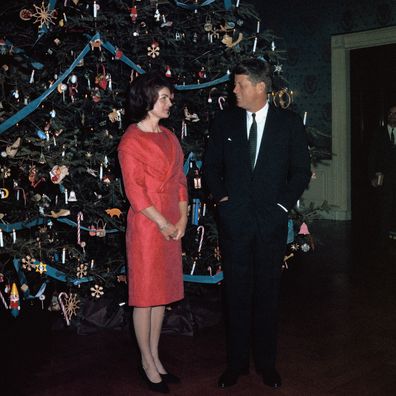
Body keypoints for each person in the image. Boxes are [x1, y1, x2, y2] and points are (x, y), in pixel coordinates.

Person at [204, 58, 311, 389]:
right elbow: (210, 168)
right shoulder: (224, 122)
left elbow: (301, 171)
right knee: (235, 294)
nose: (233, 90)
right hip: (234, 223)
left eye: (240, 85)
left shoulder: (289, 124)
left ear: (260, 87)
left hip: (270, 223)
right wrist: (223, 203)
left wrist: (281, 206)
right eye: (234, 84)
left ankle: (267, 364)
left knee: (268, 293)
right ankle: (235, 364)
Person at [118, 71, 188, 394]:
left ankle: (156, 355)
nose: (169, 102)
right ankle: (145, 359)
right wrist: (162, 222)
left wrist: (183, 221)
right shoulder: (131, 140)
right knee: (145, 298)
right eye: (164, 98)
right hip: (148, 227)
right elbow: (136, 192)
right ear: (147, 100)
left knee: (161, 296)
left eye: (169, 97)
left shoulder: (170, 137)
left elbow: (181, 182)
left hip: (172, 225)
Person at [368, 105, 396, 248]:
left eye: (395, 113)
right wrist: (372, 175)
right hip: (384, 178)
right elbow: (372, 156)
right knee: (384, 208)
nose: (392, 116)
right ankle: (383, 240)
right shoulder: (379, 132)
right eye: (390, 113)